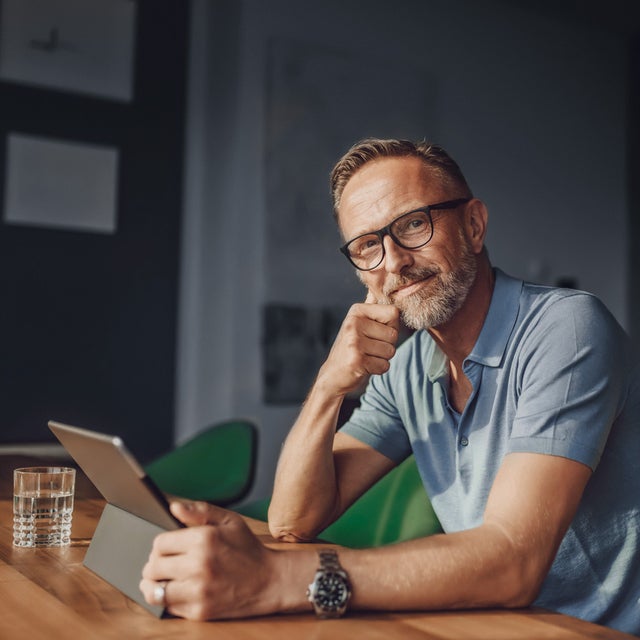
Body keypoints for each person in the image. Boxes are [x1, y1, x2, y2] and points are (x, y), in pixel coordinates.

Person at [139, 138, 640, 635]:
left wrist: (281, 577)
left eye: (414, 224)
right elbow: (293, 520)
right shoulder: (410, 366)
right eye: (366, 246)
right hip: (489, 625)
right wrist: (329, 385)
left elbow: (514, 559)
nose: (393, 261)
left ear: (473, 224)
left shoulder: (567, 329)